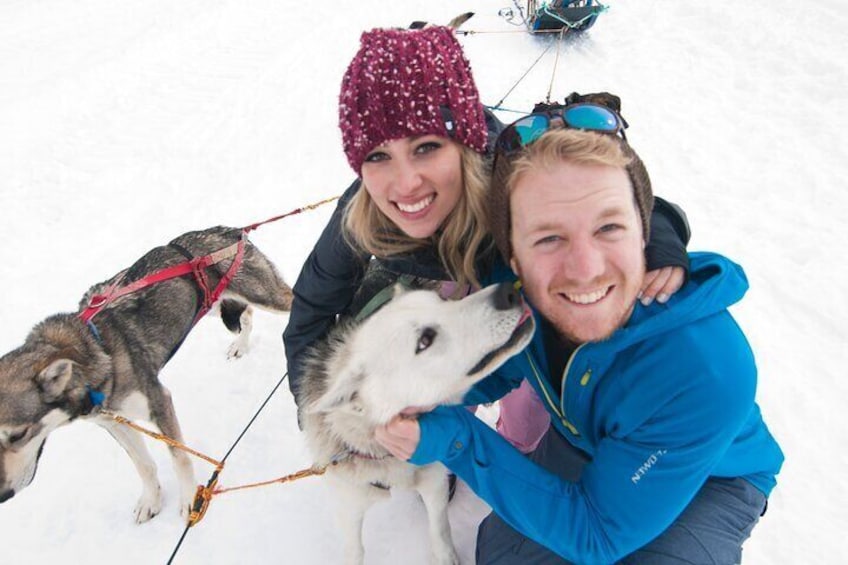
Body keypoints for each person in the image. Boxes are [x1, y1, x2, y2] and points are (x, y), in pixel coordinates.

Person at [374, 105, 785, 564]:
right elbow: (504, 367)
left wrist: (452, 437)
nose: (585, 270)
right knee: (501, 555)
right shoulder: (521, 295)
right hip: (588, 442)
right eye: (548, 238)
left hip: (715, 479)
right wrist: (426, 393)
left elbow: (597, 535)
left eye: (609, 227)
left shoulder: (706, 369)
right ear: (514, 258)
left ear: (644, 232)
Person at [283, 27, 689, 454]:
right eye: (377, 155)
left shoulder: (508, 173)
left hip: (517, 283)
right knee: (443, 363)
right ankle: (446, 444)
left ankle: (520, 450)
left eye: (426, 147)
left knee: (528, 393)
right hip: (450, 284)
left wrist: (659, 239)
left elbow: (617, 200)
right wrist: (314, 413)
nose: (405, 184)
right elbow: (313, 305)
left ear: (464, 144)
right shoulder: (363, 212)